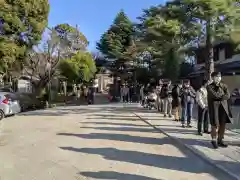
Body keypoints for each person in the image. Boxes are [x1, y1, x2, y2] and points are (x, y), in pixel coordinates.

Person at [207, 72, 232, 149]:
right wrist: (222, 96)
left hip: (224, 107)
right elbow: (214, 95)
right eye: (216, 76)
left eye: (219, 76)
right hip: (214, 108)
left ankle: (220, 140)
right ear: (212, 78)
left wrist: (221, 97)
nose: (218, 78)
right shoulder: (209, 87)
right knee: (215, 124)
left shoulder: (224, 85)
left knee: (223, 124)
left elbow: (228, 95)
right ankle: (214, 140)